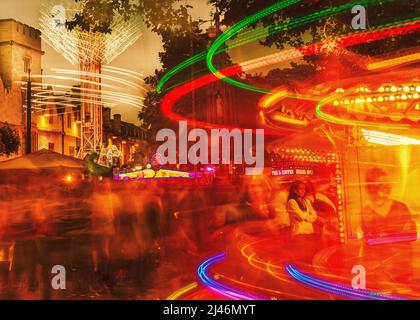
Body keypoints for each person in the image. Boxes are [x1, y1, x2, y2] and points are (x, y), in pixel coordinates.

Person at [361, 168, 416, 239]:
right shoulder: (366, 212)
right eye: (380, 183)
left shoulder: (401, 208)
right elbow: (368, 240)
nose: (385, 187)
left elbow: (412, 235)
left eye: (387, 183)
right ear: (371, 187)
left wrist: (409, 229)